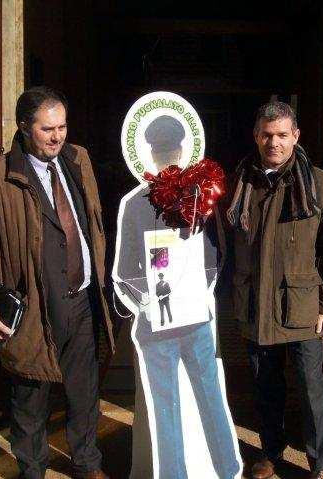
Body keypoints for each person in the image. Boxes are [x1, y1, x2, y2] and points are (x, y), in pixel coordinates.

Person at [0, 86, 113, 479]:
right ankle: (32, 470)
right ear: (24, 127)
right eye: (47, 129)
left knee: (84, 393)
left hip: (81, 299)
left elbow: (91, 223)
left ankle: (87, 463)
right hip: (33, 307)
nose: (57, 137)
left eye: (62, 127)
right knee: (30, 398)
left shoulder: (79, 160)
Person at [113, 117, 241, 478]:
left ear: (151, 155)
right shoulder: (202, 196)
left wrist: (148, 301)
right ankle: (228, 468)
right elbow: (217, 257)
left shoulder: (135, 203)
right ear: (182, 150)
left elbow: (125, 271)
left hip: (157, 323)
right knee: (210, 396)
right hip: (195, 317)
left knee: (166, 407)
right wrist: (198, 293)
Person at [228, 101, 323, 479]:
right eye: (267, 135)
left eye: (282, 135)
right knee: (265, 386)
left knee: (311, 387)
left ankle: (322, 463)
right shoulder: (240, 182)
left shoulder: (320, 183)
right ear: (256, 136)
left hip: (302, 304)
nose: (274, 142)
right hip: (256, 302)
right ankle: (270, 453)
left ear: (296, 137)